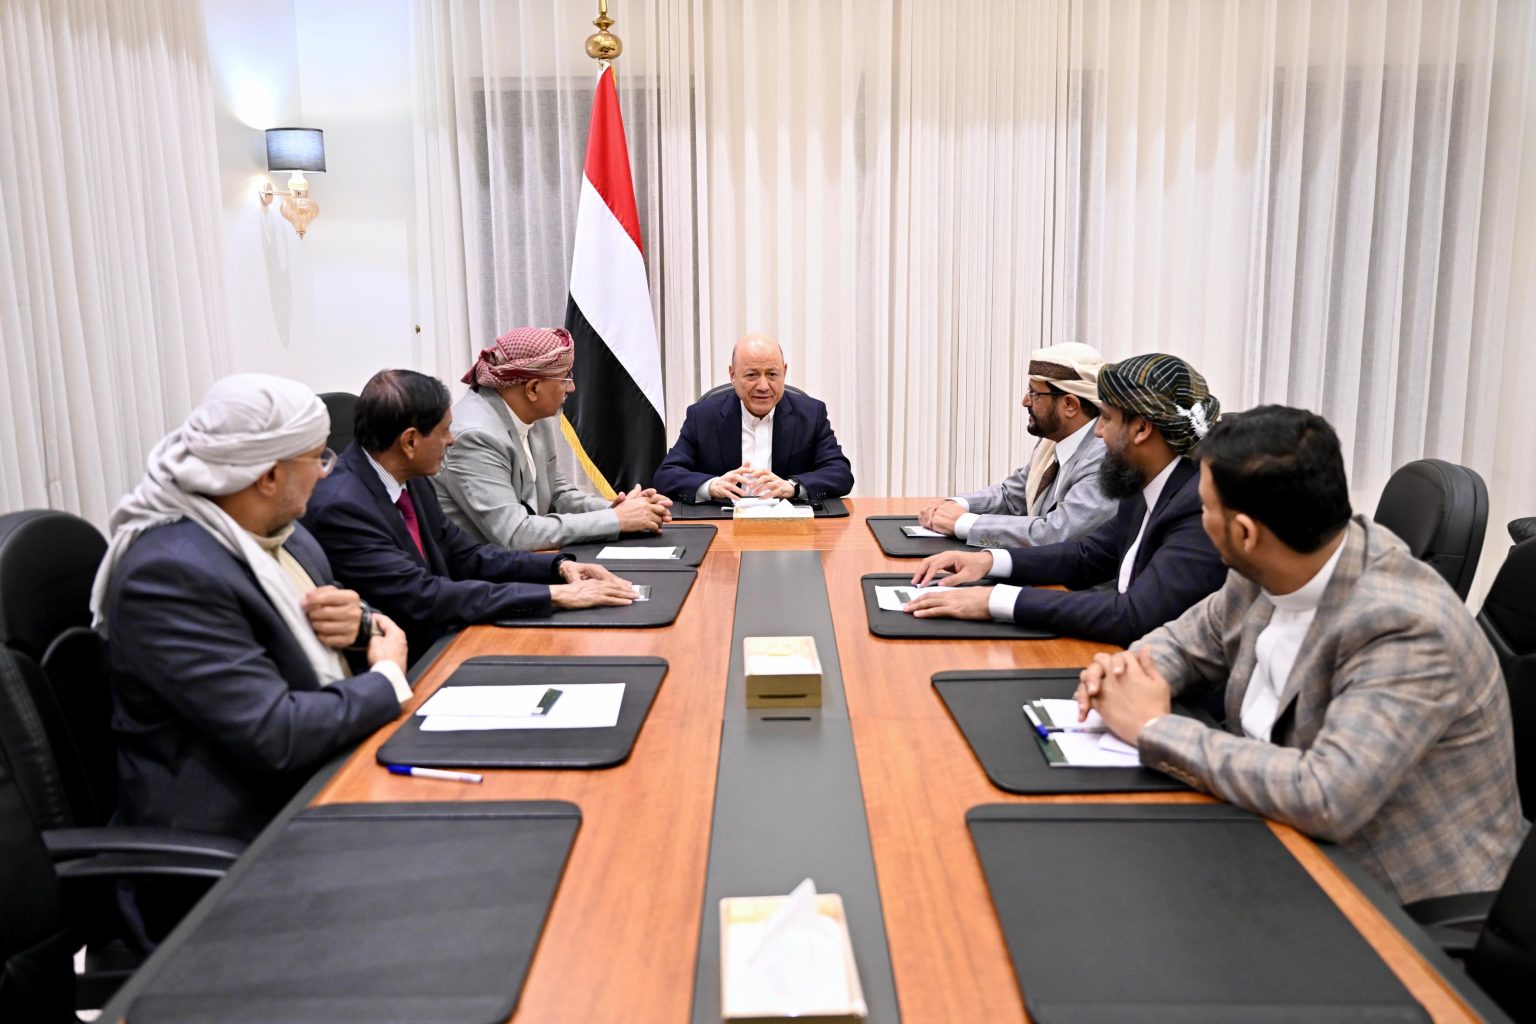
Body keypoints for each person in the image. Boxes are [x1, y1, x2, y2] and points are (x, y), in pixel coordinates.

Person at [1075, 406, 1526, 904]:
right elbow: (1187, 641)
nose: (1198, 519)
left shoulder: (1405, 626)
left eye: (1203, 508)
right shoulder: (1271, 561)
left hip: (1393, 899)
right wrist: (1128, 672)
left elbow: (1325, 796)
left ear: (1245, 532)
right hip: (1268, 832)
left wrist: (1152, 728)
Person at [91, 374, 412, 847]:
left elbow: (337, 609)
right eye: (318, 458)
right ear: (269, 476)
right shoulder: (170, 575)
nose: (327, 472)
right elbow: (275, 734)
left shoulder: (284, 533)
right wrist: (386, 679)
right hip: (245, 831)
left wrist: (361, 625)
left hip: (327, 767)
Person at [302, 369, 636, 662]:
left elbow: (466, 555)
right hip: (409, 659)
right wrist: (554, 596)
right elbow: (423, 595)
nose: (452, 440)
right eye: (444, 431)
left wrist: (558, 568)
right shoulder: (342, 507)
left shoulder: (409, 477)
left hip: (447, 634)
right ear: (410, 442)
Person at [905, 353, 1227, 648]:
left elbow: (1132, 614)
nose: (1098, 432)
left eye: (1106, 418)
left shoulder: (1199, 507)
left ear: (1141, 429)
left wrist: (995, 601)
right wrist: (990, 561)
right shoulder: (1145, 486)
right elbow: (1086, 555)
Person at [434, 326, 671, 550]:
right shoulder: (475, 436)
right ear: (533, 389)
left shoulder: (532, 414)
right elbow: (515, 534)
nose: (572, 388)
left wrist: (618, 508)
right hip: (477, 573)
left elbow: (557, 494)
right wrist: (615, 519)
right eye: (565, 378)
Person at [917, 341, 1115, 547]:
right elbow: (1011, 497)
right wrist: (952, 506)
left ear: (1070, 405)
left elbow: (1054, 534)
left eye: (1034, 393)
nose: (1025, 401)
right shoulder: (1052, 443)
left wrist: (963, 523)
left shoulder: (1105, 459)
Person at [653, 333, 853, 502]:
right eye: (751, 375)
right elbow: (666, 475)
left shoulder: (811, 415)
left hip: (789, 523)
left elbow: (840, 474)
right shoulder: (702, 417)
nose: (763, 386)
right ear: (732, 375)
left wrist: (793, 487)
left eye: (772, 374)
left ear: (784, 372)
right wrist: (711, 486)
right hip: (725, 524)